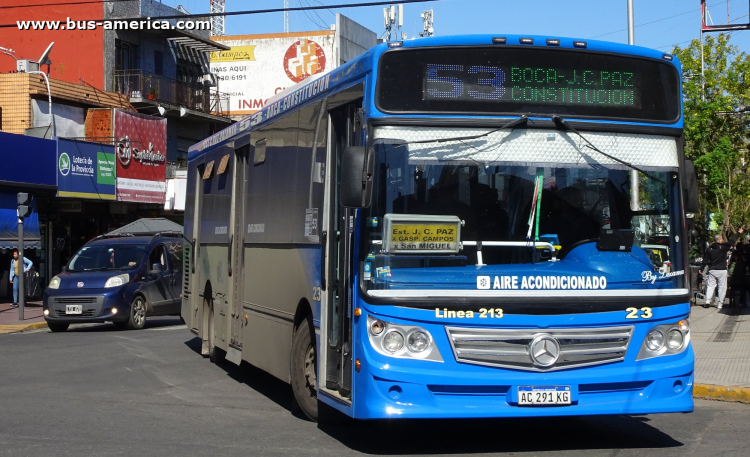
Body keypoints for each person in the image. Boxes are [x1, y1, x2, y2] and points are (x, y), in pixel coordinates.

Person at [703, 228, 744, 310]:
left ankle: (707, 301)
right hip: (722, 270)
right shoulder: (724, 247)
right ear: (720, 240)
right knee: (722, 287)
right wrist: (739, 232)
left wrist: (707, 266)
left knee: (711, 286)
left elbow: (705, 260)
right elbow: (733, 240)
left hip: (712, 270)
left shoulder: (709, 249)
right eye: (722, 239)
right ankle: (720, 304)